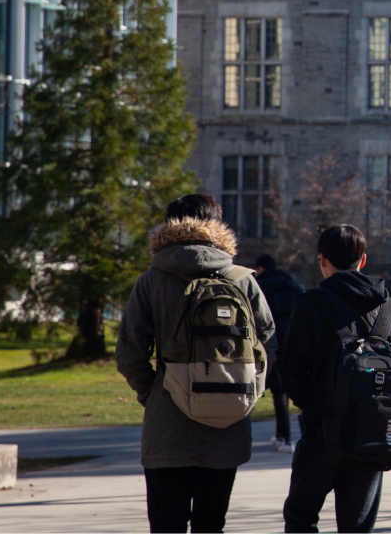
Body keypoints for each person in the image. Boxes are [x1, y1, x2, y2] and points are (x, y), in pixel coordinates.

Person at [115, 194, 277, 534]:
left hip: (167, 425)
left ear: (168, 227)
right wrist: (247, 391)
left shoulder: (151, 280)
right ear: (217, 225)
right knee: (211, 524)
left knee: (166, 525)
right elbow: (270, 345)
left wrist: (156, 392)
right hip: (228, 422)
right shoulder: (243, 279)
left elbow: (130, 353)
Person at [280, 224, 391, 534]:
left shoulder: (311, 304)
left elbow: (290, 370)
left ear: (322, 260)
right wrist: (375, 404)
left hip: (321, 435)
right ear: (363, 260)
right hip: (372, 437)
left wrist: (318, 405)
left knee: (301, 518)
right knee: (357, 527)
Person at [255, 253, 305, 453]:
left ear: (260, 269)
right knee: (295, 390)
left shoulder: (257, 286)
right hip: (292, 343)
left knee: (276, 392)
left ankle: (284, 437)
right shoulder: (290, 284)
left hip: (269, 343)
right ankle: (289, 436)